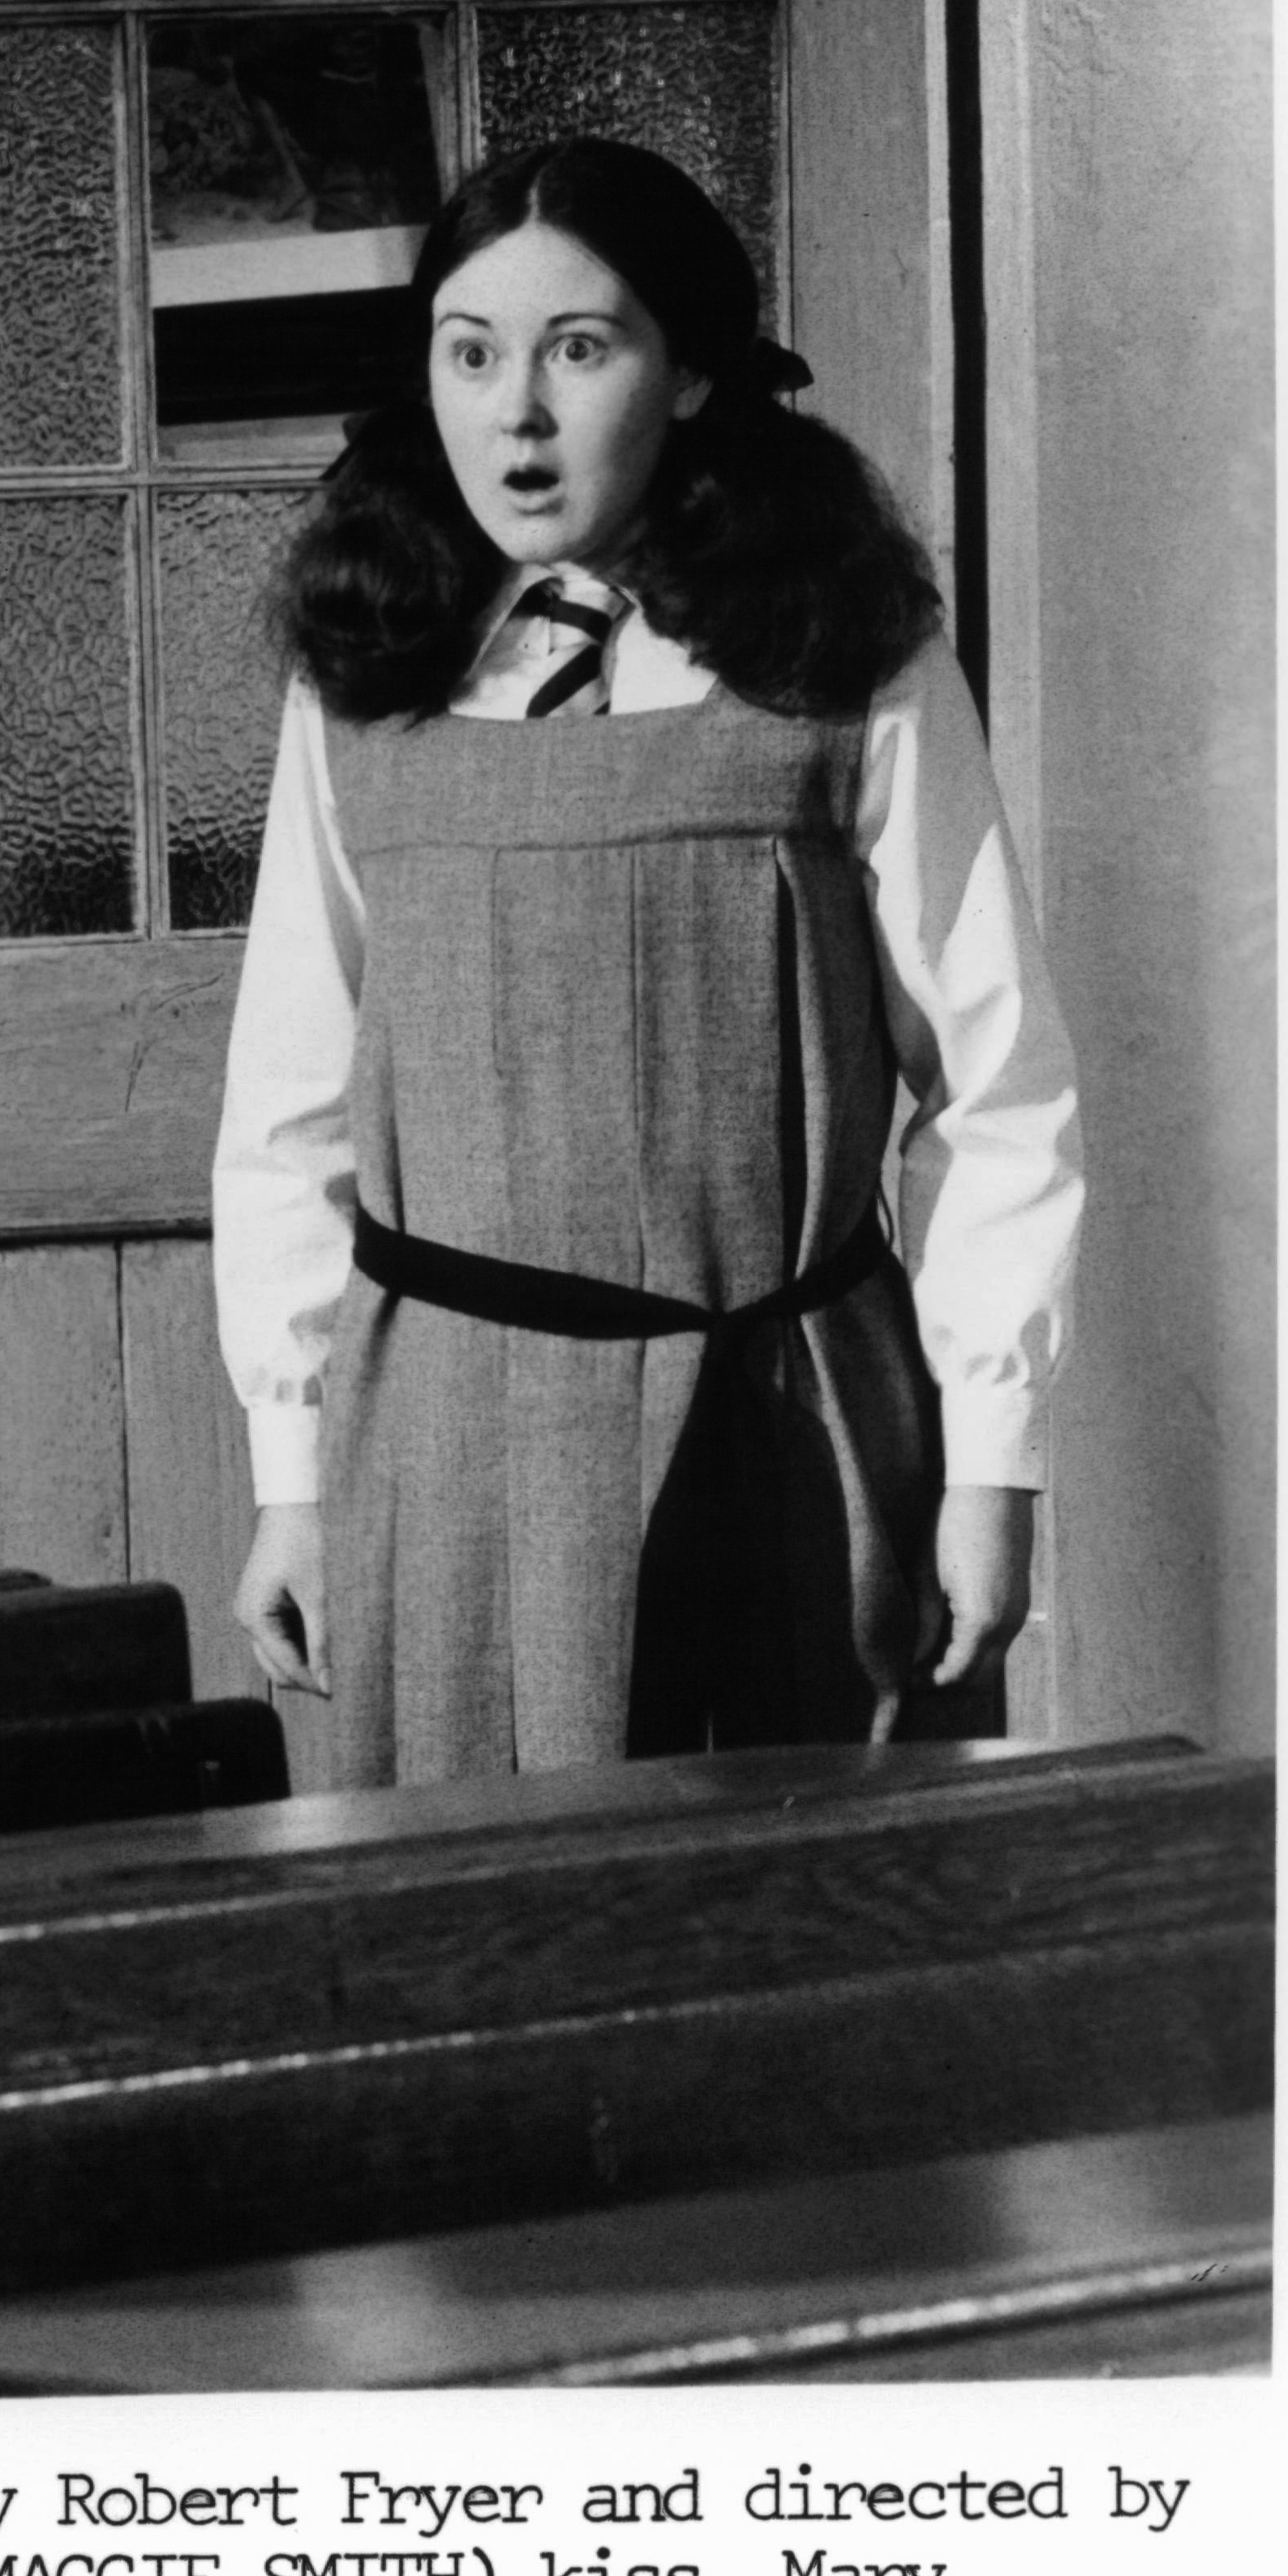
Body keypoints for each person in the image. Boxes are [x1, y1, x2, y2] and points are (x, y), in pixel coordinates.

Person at [208, 138, 1083, 1784]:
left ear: (689, 373)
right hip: (453, 1450)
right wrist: (293, 1472)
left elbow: (997, 1082)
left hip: (797, 1417)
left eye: (579, 347)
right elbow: (289, 1100)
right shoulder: (365, 678)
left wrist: (992, 1466)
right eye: (470, 352)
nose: (515, 412)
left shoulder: (849, 657)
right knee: (498, 1940)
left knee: (815, 1945)